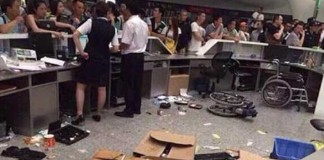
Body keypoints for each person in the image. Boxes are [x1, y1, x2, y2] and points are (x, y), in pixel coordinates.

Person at [71, 1, 119, 125]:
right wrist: (105, 49)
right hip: (103, 60)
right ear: (107, 13)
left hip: (89, 58)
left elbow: (75, 34)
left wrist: (81, 52)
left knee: (81, 86)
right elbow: (115, 48)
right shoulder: (112, 28)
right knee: (101, 88)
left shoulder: (91, 22)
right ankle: (98, 113)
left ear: (95, 12)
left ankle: (80, 114)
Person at [114, 0, 149, 118]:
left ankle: (128, 110)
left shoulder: (129, 23)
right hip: (140, 56)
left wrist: (116, 48)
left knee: (128, 83)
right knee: (137, 83)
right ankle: (136, 108)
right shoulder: (143, 23)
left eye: (123, 7)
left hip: (130, 57)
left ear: (128, 9)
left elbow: (125, 43)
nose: (121, 9)